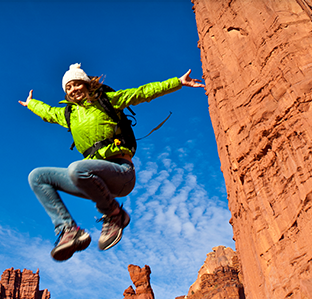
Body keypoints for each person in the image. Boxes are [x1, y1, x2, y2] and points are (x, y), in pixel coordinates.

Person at [19, 63, 204, 261]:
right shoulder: (69, 115)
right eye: (68, 87)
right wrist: (32, 104)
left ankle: (115, 216)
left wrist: (177, 82)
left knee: (76, 168)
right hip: (91, 179)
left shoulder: (107, 101)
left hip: (120, 173)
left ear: (86, 83)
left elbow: (141, 93)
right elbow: (49, 113)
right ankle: (69, 231)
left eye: (76, 84)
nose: (73, 90)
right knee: (37, 177)